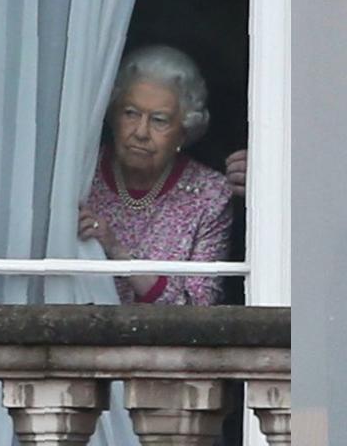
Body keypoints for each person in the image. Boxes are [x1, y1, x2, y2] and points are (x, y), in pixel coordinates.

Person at [79, 45, 232, 305]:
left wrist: (117, 253)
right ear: (113, 115)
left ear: (185, 130)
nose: (140, 131)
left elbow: (199, 308)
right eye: (130, 113)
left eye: (159, 120)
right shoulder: (79, 174)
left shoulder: (209, 195)